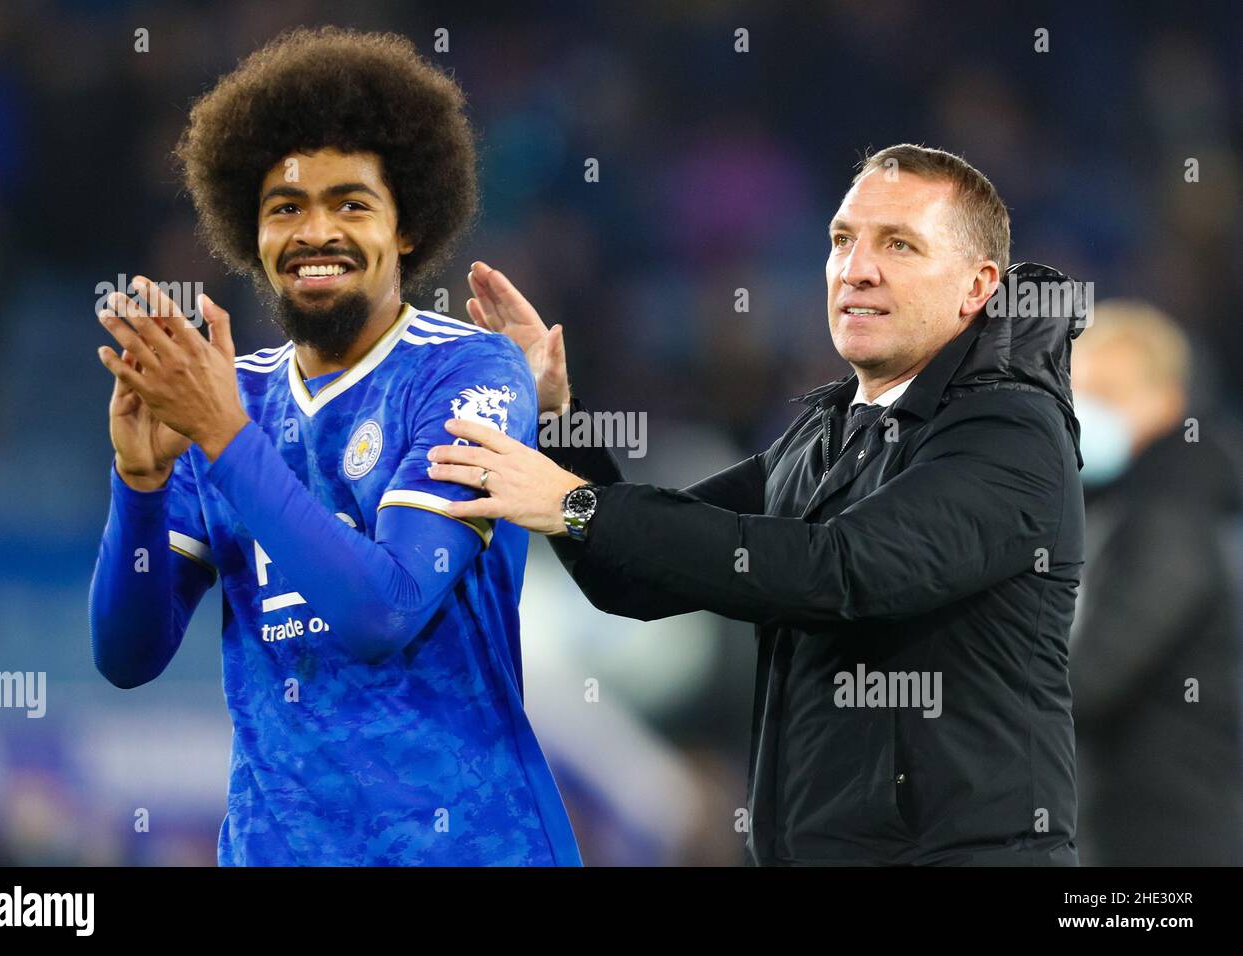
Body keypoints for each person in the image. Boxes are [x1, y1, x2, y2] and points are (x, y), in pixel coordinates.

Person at [428, 145, 1086, 865]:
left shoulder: (1010, 431)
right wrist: (558, 423)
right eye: (843, 240)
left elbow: (843, 571)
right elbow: (635, 573)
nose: (856, 268)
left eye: (899, 244)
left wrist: (578, 504)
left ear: (976, 286)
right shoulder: (827, 436)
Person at [87, 27, 580, 866]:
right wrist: (138, 483)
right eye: (286, 208)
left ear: (410, 227)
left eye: (351, 203)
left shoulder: (469, 373)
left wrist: (223, 437)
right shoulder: (229, 394)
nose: (316, 232)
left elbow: (381, 610)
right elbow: (127, 657)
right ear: (252, 234)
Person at [1069, 300, 1243, 865]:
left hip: (1166, 833)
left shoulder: (1166, 517)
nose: (1085, 413)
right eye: (1078, 395)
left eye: (1109, 394)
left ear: (1168, 402)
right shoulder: (1122, 507)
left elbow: (1092, 677)